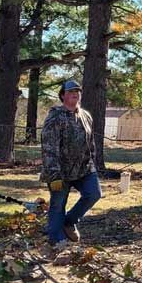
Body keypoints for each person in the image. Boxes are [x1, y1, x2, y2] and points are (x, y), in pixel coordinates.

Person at [39, 78, 101, 247]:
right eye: (70, 92)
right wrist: (54, 174)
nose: (75, 94)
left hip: (84, 169)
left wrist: (93, 163)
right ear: (62, 95)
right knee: (58, 204)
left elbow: (91, 142)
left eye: (77, 92)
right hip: (60, 172)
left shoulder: (85, 116)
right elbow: (49, 147)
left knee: (94, 194)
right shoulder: (55, 116)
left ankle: (68, 221)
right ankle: (56, 239)